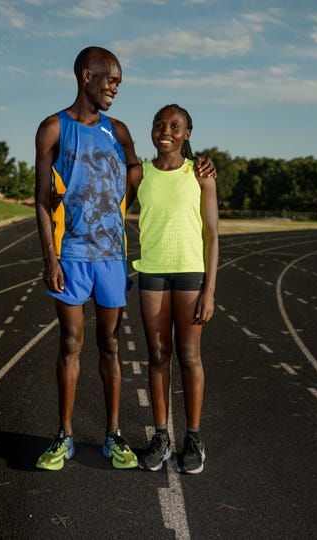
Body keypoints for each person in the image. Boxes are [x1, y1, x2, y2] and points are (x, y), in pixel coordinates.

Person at [35, 46, 216, 471]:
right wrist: (50, 257)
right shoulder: (52, 128)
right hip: (71, 257)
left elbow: (141, 172)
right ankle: (63, 435)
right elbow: (41, 199)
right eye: (110, 78)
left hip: (112, 259)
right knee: (70, 344)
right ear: (86, 75)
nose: (116, 86)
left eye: (118, 81)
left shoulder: (118, 131)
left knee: (111, 345)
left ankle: (113, 435)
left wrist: (198, 163)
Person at [127, 104, 219, 474]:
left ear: (187, 134)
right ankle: (162, 435)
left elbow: (213, 235)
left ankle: (193, 437)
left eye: (175, 126)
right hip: (152, 274)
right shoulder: (139, 174)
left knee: (189, 356)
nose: (165, 130)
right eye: (159, 124)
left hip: (190, 276)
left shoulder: (200, 174)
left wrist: (210, 290)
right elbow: (109, 207)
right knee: (157, 354)